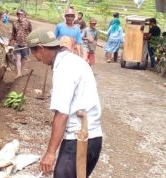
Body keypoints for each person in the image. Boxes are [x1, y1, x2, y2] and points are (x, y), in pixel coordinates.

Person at [26, 28, 102, 178]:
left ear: (41, 48)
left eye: (35, 53)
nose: (37, 59)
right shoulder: (74, 60)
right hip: (94, 138)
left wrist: (50, 153)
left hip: (79, 139)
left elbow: (61, 114)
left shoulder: (64, 69)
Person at [10, 9, 32, 79]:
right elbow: (13, 33)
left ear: (24, 15)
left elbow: (31, 32)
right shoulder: (14, 23)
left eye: (21, 14)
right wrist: (11, 40)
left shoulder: (28, 22)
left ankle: (21, 71)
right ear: (17, 15)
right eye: (18, 14)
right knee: (18, 58)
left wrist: (31, 42)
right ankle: (19, 73)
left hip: (25, 44)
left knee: (24, 58)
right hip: (17, 43)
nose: (20, 16)